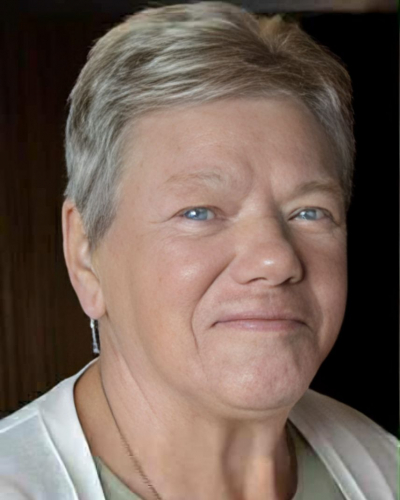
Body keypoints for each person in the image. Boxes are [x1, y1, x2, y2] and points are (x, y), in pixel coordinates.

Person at [0, 2, 396, 499]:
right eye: (199, 212)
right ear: (84, 254)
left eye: (309, 212)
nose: (275, 260)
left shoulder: (385, 466)